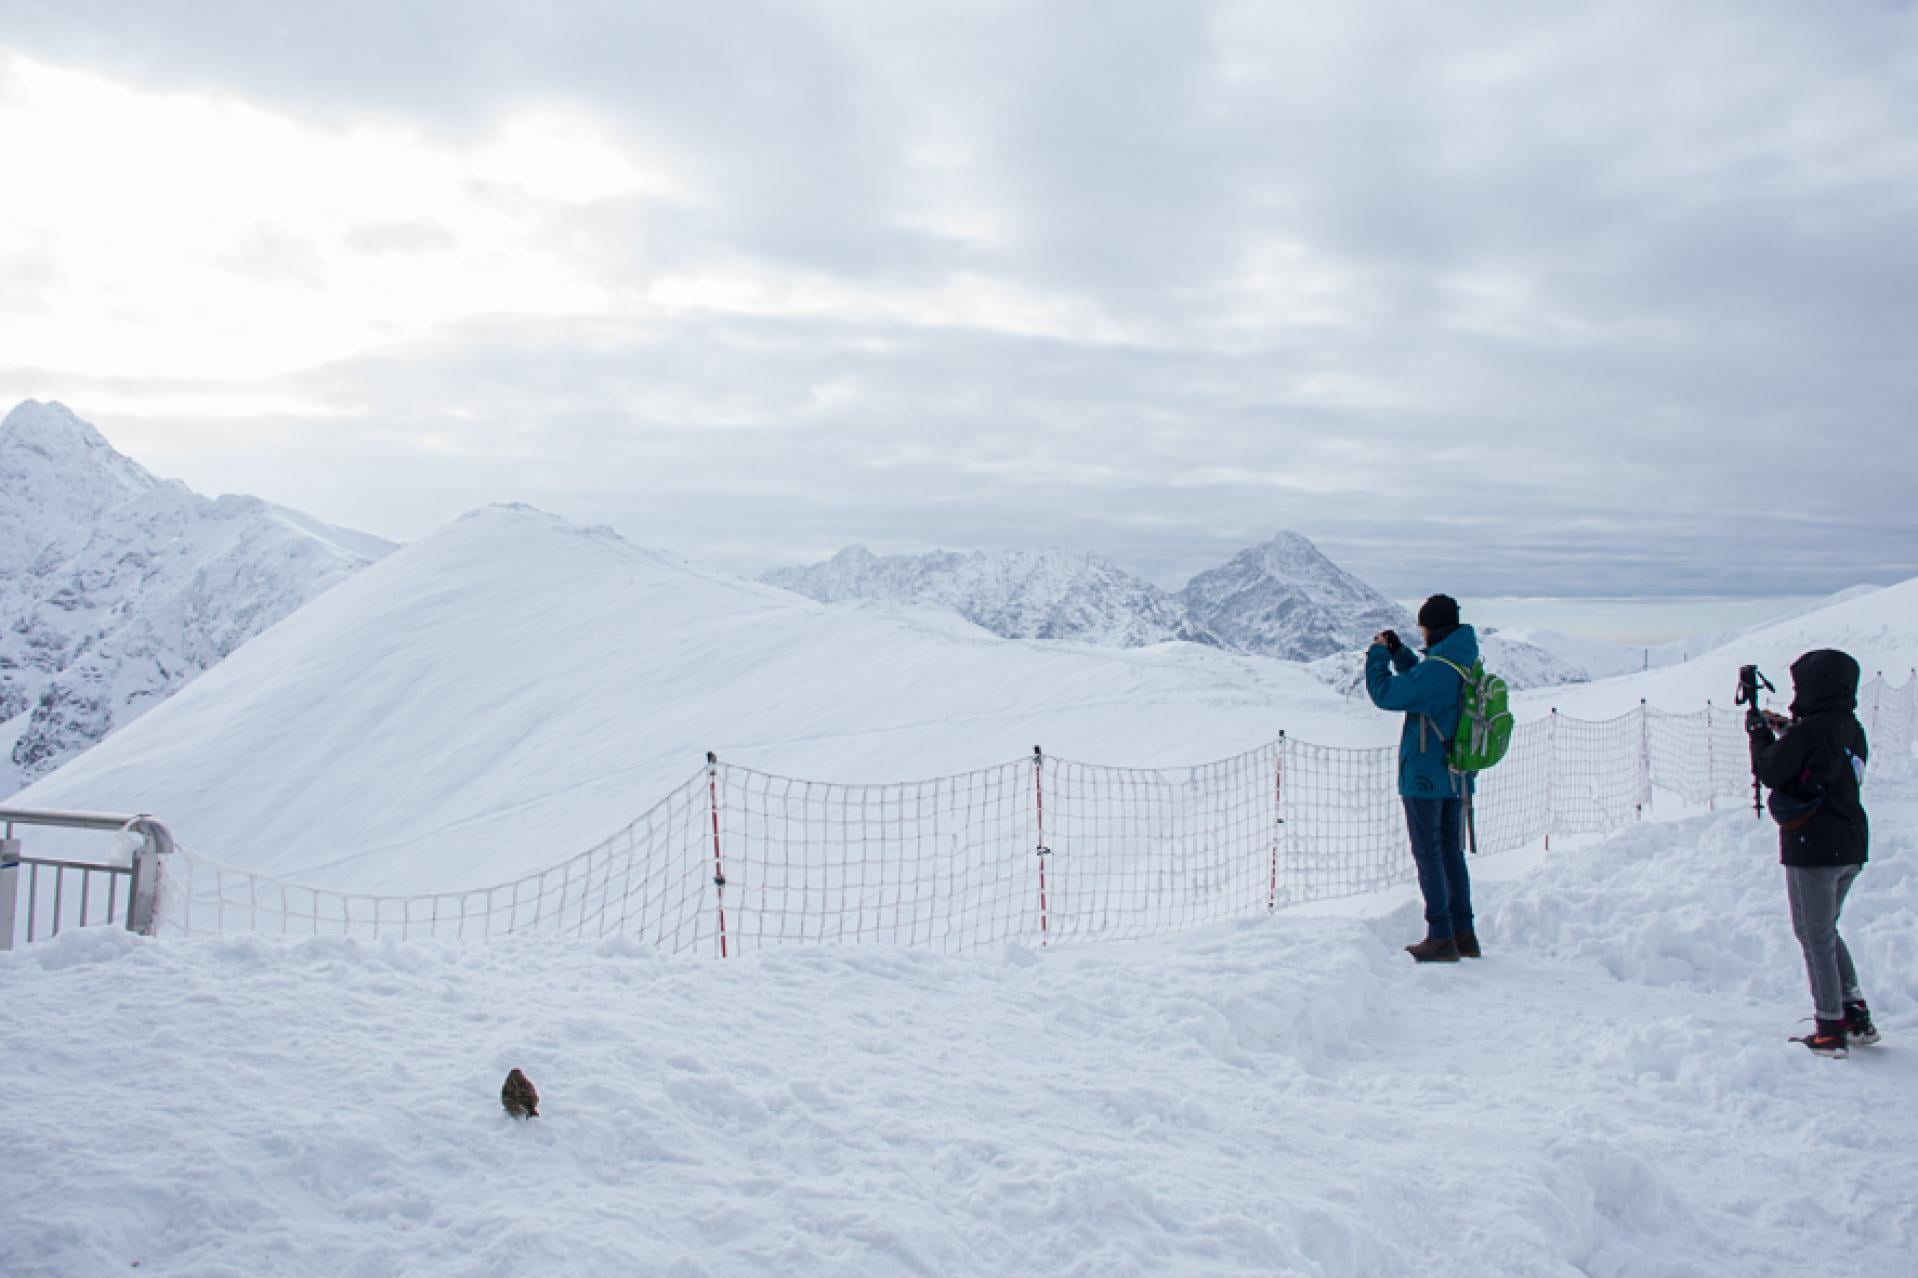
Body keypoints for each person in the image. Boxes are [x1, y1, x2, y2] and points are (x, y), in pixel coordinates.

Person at [1747, 649, 1877, 1058]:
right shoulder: (1850, 727)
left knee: (1813, 934)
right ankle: (1854, 1013)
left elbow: (1770, 770)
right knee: (1826, 930)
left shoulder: (1810, 732)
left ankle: (1829, 1027)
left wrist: (1760, 735)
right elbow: (1824, 754)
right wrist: (1787, 730)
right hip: (1850, 843)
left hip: (1814, 846)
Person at [1365, 594, 1479, 963]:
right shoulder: (1462, 660)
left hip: (1427, 778)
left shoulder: (1439, 670)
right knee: (1450, 853)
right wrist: (1400, 654)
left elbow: (1386, 694)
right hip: (1456, 776)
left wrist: (1377, 656)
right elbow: (1424, 684)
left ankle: (1440, 936)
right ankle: (1463, 933)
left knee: (1429, 855)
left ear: (1432, 628)